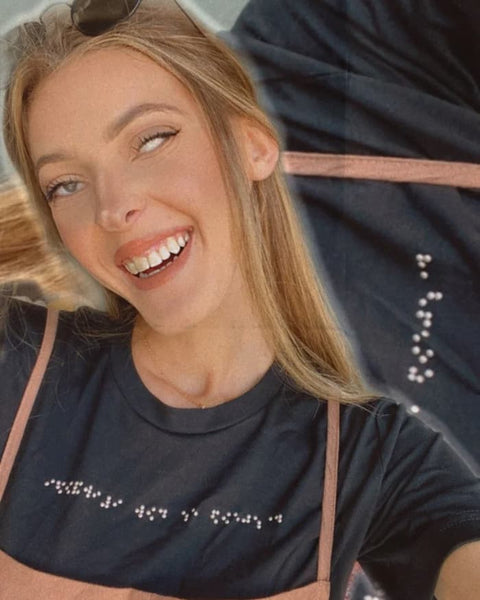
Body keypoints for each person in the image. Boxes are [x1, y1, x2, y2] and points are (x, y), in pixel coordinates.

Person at [0, 1, 479, 599]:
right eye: (65, 183)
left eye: (151, 140)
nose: (111, 207)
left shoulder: (369, 455)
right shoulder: (17, 364)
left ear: (251, 143)